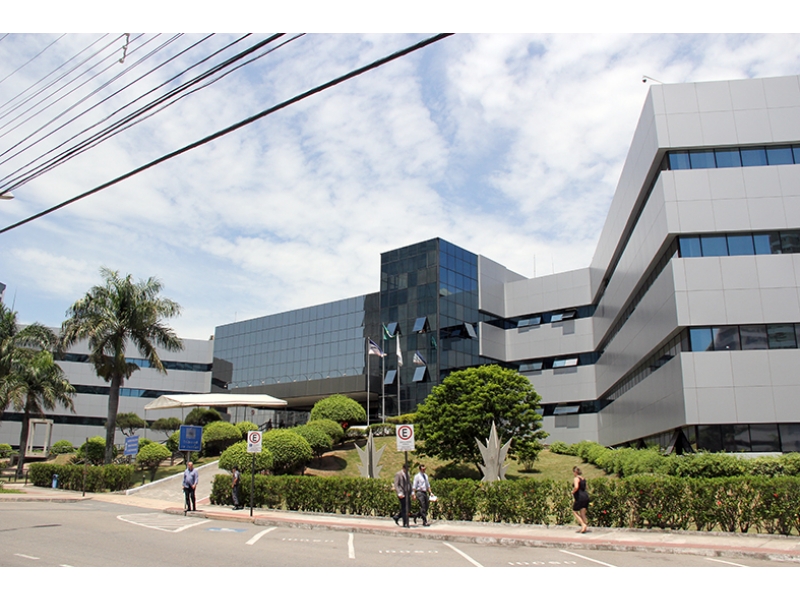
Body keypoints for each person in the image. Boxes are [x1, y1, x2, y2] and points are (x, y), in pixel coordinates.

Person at [392, 464, 411, 528]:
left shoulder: (408, 474)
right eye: (406, 469)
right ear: (403, 468)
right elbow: (396, 484)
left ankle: (397, 517)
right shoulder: (398, 474)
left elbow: (409, 483)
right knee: (404, 507)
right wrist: (399, 493)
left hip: (407, 493)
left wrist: (412, 492)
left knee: (408, 507)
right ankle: (405, 522)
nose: (407, 470)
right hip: (401, 493)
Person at [572, 466, 589, 533]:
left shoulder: (576, 478)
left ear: (575, 472)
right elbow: (586, 487)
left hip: (580, 497)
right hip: (585, 496)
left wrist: (573, 492)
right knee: (583, 513)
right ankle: (584, 527)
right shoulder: (583, 479)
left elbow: (576, 487)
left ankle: (583, 524)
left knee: (574, 511)